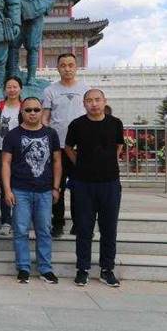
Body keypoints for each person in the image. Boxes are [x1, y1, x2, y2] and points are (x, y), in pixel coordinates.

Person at [65, 89, 124, 288]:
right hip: (83, 183)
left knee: (109, 228)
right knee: (84, 228)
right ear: (84, 103)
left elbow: (119, 145)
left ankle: (107, 269)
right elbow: (68, 148)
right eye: (89, 100)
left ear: (104, 101)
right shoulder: (77, 124)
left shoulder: (115, 123)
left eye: (97, 100)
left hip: (110, 183)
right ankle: (82, 269)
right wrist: (81, 163)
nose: (94, 104)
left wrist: (108, 162)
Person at [1, 96, 62, 284]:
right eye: (28, 110)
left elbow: (57, 161)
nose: (33, 113)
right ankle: (23, 268)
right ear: (22, 112)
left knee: (44, 230)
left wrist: (56, 187)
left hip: (44, 190)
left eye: (36, 109)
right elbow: (5, 163)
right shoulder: (13, 135)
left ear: (42, 111)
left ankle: (45, 268)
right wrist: (7, 190)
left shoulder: (51, 134)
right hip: (20, 190)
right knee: (20, 230)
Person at [42, 53, 90, 238]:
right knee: (57, 186)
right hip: (58, 148)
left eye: (71, 65)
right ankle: (58, 223)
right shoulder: (50, 90)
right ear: (58, 68)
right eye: (63, 65)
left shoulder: (85, 89)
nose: (67, 69)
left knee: (80, 187)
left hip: (80, 148)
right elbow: (45, 118)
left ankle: (79, 223)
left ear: (76, 67)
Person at [0, 75, 23, 235]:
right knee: (5, 187)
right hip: (0, 151)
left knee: (20, 188)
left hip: (21, 152)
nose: (12, 90)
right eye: (9, 87)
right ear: (4, 89)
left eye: (15, 87)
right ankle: (6, 221)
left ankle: (19, 221)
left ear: (20, 89)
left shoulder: (25, 107)